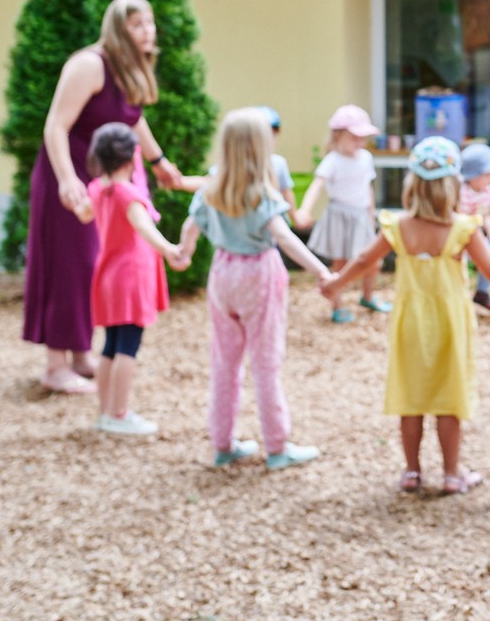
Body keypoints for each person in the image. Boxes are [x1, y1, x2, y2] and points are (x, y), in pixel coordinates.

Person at [322, 136, 490, 493]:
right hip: (449, 323)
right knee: (449, 398)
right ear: (453, 185)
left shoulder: (398, 226)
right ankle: (452, 474)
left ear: (411, 185)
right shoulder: (463, 228)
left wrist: (335, 283)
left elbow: (362, 260)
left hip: (410, 324)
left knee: (411, 396)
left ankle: (411, 472)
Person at [24, 0, 187, 395]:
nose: (147, 30)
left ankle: (81, 356)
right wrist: (65, 179)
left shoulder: (126, 70)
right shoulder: (89, 65)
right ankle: (55, 365)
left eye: (149, 22)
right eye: (137, 24)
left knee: (93, 264)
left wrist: (158, 160)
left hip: (104, 183)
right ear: (118, 28)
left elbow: (133, 118)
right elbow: (55, 126)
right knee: (69, 264)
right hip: (72, 179)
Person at [172, 108, 334, 471]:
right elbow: (286, 239)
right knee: (265, 363)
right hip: (258, 275)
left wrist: (184, 252)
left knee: (224, 362)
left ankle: (223, 444)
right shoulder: (261, 193)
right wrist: (321, 271)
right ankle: (277, 448)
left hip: (222, 273)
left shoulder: (212, 187)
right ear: (261, 148)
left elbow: (190, 225)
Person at [77, 121, 188, 436]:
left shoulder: (98, 187)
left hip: (107, 276)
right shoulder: (129, 194)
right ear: (131, 159)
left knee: (111, 345)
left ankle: (105, 413)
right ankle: (120, 414)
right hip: (129, 279)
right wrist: (170, 249)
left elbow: (85, 213)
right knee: (128, 347)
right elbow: (144, 228)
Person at [295, 105, 381, 323]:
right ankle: (337, 305)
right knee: (340, 263)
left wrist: (371, 217)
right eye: (355, 137)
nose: (360, 143)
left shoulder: (366, 158)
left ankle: (368, 296)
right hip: (339, 216)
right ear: (338, 135)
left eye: (363, 138)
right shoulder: (332, 160)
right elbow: (317, 186)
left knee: (374, 260)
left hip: (361, 215)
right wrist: (305, 209)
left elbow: (367, 188)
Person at [459, 141, 490, 314]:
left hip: (475, 236)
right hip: (457, 238)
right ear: (472, 175)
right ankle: (459, 299)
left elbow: (485, 215)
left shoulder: (487, 190)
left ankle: (482, 293)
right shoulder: (460, 191)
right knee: (457, 267)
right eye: (487, 175)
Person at [260, 107, 293, 201]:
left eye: (273, 135)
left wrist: (295, 215)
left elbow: (286, 192)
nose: (269, 140)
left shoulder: (279, 162)